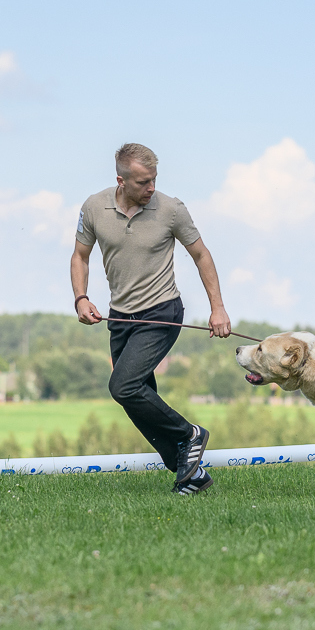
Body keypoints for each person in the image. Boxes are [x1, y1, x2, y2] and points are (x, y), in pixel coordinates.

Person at [71, 143, 232, 494]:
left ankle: (191, 436)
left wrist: (217, 308)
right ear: (121, 180)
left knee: (123, 387)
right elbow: (80, 256)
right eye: (143, 182)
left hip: (162, 312)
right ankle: (190, 475)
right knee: (139, 397)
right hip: (120, 318)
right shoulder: (94, 207)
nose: (151, 188)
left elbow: (201, 255)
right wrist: (81, 297)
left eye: (154, 180)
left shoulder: (171, 209)